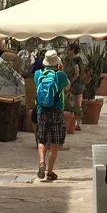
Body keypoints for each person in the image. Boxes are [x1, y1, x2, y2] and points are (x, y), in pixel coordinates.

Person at [34, 48, 69, 181]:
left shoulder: (38, 74)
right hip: (56, 111)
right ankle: (50, 172)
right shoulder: (60, 75)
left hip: (41, 110)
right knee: (55, 142)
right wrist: (61, 71)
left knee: (42, 139)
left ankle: (41, 162)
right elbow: (67, 87)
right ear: (57, 63)